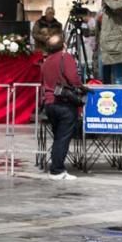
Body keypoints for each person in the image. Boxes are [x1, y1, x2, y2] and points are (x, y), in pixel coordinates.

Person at [40, 33, 82, 180]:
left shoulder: (46, 61)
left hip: (50, 103)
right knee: (63, 138)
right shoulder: (65, 57)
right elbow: (73, 78)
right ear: (63, 45)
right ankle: (57, 170)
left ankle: (55, 166)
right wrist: (80, 87)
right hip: (64, 103)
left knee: (58, 137)